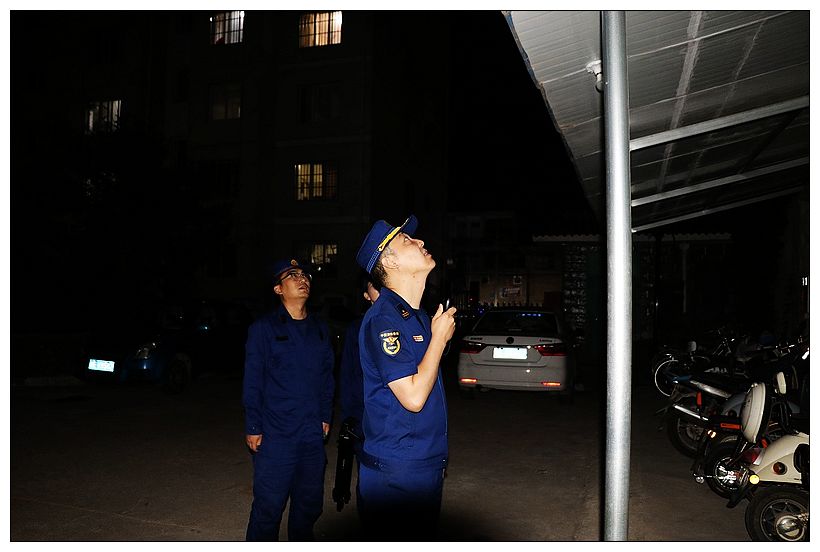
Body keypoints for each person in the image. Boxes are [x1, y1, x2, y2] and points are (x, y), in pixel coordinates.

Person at [354, 214, 457, 540]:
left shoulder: (417, 316)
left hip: (424, 464)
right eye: (407, 240)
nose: (420, 241)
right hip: (397, 473)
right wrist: (438, 339)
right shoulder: (384, 320)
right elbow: (412, 397)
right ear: (390, 262)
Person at [242, 259, 335, 541]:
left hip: (311, 433)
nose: (302, 279)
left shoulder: (320, 328)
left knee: (309, 505)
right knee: (269, 506)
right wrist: (253, 425)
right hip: (276, 433)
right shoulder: (264, 329)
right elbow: (253, 380)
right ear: (278, 289)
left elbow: (327, 376)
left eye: (304, 275)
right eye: (292, 275)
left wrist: (325, 415)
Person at [333, 272, 381, 514]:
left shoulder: (407, 323)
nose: (381, 290)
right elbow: (348, 374)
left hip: (399, 418)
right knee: (369, 480)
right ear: (365, 295)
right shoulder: (357, 328)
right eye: (375, 286)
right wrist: (350, 417)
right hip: (366, 416)